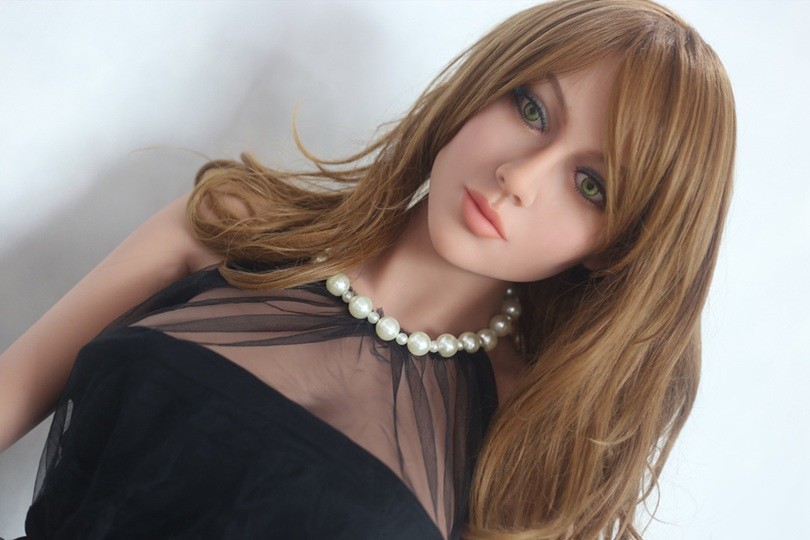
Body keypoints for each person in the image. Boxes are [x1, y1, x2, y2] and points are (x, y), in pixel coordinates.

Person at [0, 0, 735, 538]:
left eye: (591, 185)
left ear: (615, 246)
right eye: (531, 109)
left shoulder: (529, 445)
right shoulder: (229, 225)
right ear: (482, 86)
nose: (520, 176)